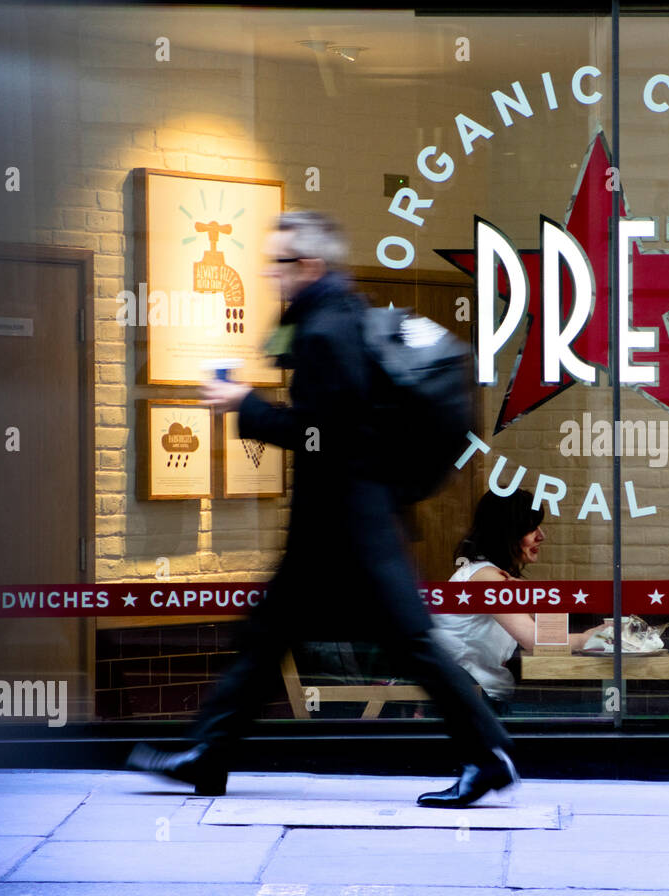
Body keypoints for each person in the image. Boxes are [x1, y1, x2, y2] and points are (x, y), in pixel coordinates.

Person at [128, 211, 517, 809]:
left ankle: (486, 754)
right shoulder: (340, 315)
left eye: (279, 263)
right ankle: (208, 753)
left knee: (408, 643)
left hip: (350, 525)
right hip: (346, 519)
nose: (269, 274)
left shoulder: (323, 331)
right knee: (270, 637)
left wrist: (245, 405)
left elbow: (323, 436)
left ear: (308, 265)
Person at [431, 489, 601, 715]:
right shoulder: (486, 578)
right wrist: (592, 638)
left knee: (589, 712)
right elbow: (536, 640)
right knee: (589, 714)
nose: (541, 536)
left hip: (478, 699)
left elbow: (542, 621)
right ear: (507, 533)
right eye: (532, 528)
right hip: (472, 704)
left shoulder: (490, 575)